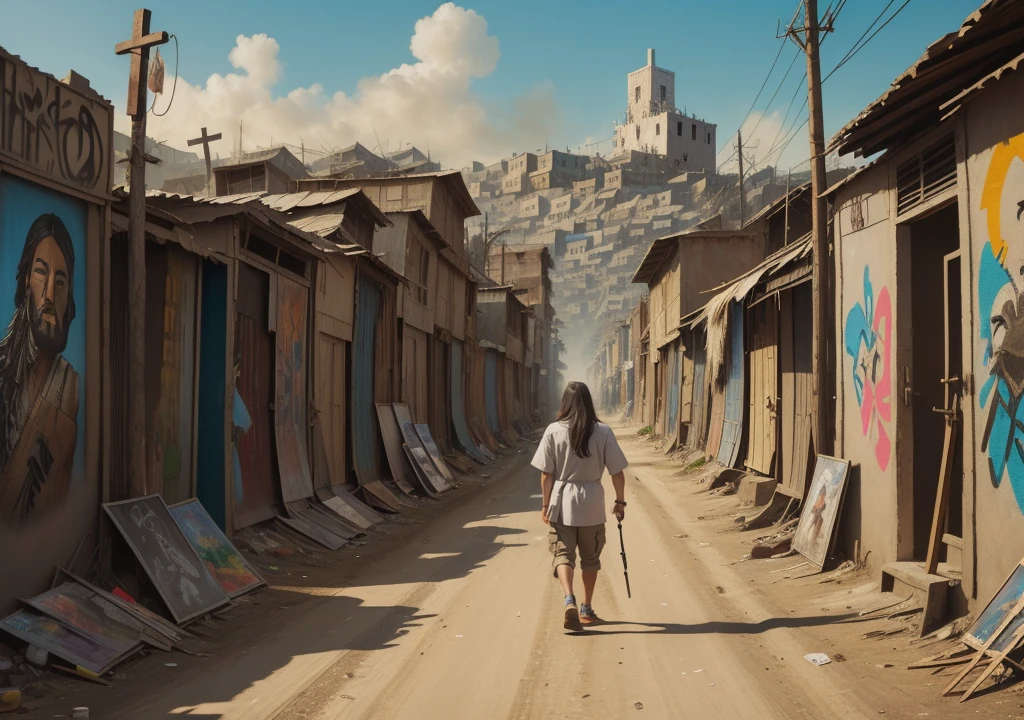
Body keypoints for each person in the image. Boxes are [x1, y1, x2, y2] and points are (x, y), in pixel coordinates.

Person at [0, 213, 79, 523]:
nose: (48, 296)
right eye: (40, 274)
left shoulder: (70, 390)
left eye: (59, 282)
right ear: (25, 283)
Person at [532, 381, 629, 631]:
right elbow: (617, 471)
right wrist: (620, 501)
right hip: (592, 503)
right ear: (588, 402)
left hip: (562, 501)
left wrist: (545, 505)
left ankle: (568, 598)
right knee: (590, 559)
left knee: (563, 554)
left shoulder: (553, 430)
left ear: (565, 402)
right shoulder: (603, 432)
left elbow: (546, 474)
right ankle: (586, 609)